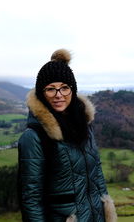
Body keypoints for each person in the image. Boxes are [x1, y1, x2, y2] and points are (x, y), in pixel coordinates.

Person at [18, 49, 117, 222]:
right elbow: (31, 198)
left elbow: (97, 175)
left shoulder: (84, 125)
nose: (59, 95)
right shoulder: (34, 137)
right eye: (51, 89)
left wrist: (107, 210)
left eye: (64, 88)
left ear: (73, 90)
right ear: (42, 93)